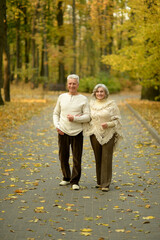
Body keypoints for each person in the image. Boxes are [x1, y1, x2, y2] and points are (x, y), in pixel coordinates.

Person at [53, 74, 90, 190]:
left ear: (78, 85)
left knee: (76, 157)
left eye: (74, 83)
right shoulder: (61, 97)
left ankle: (75, 181)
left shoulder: (83, 99)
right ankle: (66, 177)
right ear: (67, 84)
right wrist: (57, 126)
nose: (72, 85)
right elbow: (56, 113)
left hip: (77, 132)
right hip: (63, 131)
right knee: (63, 156)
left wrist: (75, 118)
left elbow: (88, 117)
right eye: (70, 83)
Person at [83, 84, 123, 192]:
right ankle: (100, 181)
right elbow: (87, 117)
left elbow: (117, 121)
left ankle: (105, 184)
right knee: (98, 157)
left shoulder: (111, 104)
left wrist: (108, 124)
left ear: (105, 93)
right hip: (94, 133)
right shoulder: (91, 104)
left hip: (108, 133)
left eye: (102, 91)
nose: (99, 93)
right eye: (97, 91)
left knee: (106, 157)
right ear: (94, 93)